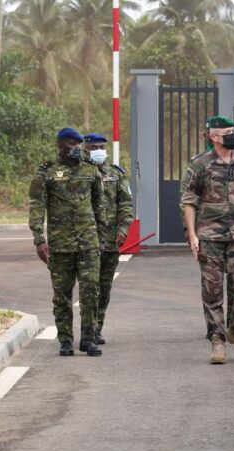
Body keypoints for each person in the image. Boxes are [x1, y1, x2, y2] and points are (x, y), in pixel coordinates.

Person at [180, 116, 234, 365]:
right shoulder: (200, 165)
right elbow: (189, 201)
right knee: (212, 291)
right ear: (214, 137)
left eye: (232, 131)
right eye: (226, 132)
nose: (231, 136)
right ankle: (217, 340)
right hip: (210, 237)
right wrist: (192, 236)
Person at [29, 128, 104, 357]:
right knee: (62, 294)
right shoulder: (47, 172)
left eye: (78, 144)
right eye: (71, 143)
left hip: (88, 243)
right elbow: (37, 206)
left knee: (91, 289)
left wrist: (102, 238)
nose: (75, 148)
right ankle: (66, 340)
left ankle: (89, 339)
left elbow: (99, 206)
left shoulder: (90, 170)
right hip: (60, 245)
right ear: (60, 144)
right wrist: (39, 240)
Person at [83, 133, 133, 345]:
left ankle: (97, 328)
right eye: (94, 147)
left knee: (104, 287)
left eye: (102, 147)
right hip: (86, 240)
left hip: (111, 240)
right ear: (85, 148)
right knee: (89, 286)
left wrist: (124, 228)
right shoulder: (80, 172)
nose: (99, 150)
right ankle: (88, 330)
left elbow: (126, 203)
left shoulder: (116, 173)